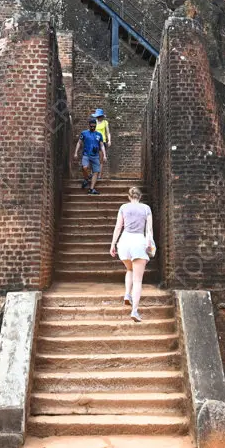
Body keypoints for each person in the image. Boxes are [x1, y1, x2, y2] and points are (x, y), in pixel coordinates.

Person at [109, 186, 153, 322]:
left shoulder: (123, 207)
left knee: (129, 269)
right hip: (138, 241)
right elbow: (149, 229)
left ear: (129, 196)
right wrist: (150, 244)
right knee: (138, 280)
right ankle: (134, 311)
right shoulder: (146, 208)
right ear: (140, 196)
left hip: (124, 242)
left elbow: (118, 227)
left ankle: (127, 295)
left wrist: (112, 244)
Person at [73, 118, 107, 195]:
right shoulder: (84, 133)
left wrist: (104, 155)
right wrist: (75, 152)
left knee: (96, 172)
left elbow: (102, 145)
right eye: (91, 126)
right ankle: (86, 178)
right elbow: (79, 143)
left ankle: (91, 189)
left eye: (94, 126)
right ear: (89, 125)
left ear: (95, 126)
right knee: (84, 167)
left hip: (95, 156)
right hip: (86, 154)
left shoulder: (99, 134)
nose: (92, 128)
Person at [92, 109, 111, 178]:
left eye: (99, 116)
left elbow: (108, 132)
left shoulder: (105, 122)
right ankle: (94, 174)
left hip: (103, 141)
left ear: (102, 116)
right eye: (97, 116)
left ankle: (99, 176)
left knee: (101, 159)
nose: (98, 117)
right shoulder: (94, 122)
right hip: (94, 142)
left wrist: (109, 140)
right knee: (93, 158)